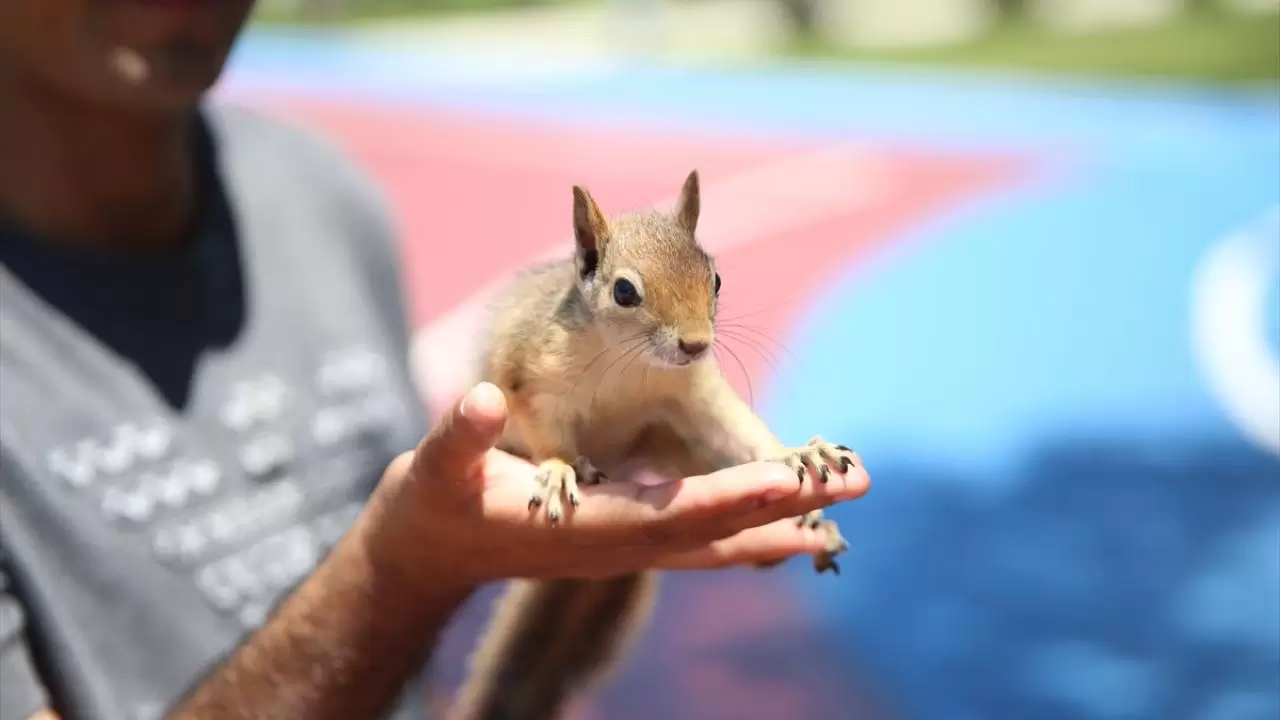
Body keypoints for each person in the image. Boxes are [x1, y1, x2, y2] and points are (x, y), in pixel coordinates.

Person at [0, 1, 872, 719]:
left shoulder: (324, 194)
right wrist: (401, 573)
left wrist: (774, 465)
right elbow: (524, 399)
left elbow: (700, 408)